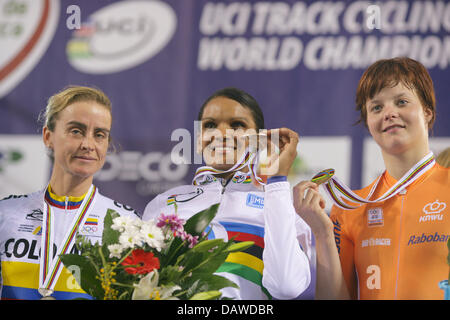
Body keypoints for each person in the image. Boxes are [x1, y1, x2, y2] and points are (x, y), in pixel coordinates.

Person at [294, 57, 450, 300]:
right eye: (376, 108)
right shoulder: (350, 207)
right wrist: (323, 234)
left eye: (401, 102)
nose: (389, 113)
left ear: (427, 112)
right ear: (368, 122)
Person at [142, 87, 312, 300]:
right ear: (198, 139)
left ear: (259, 140)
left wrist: (277, 182)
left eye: (237, 125)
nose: (221, 133)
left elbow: (286, 287)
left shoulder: (283, 207)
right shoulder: (164, 204)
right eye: (210, 125)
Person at [0, 86, 140, 300]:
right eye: (76, 131)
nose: (88, 144)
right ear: (48, 136)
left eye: (99, 135)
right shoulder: (5, 214)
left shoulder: (127, 224)